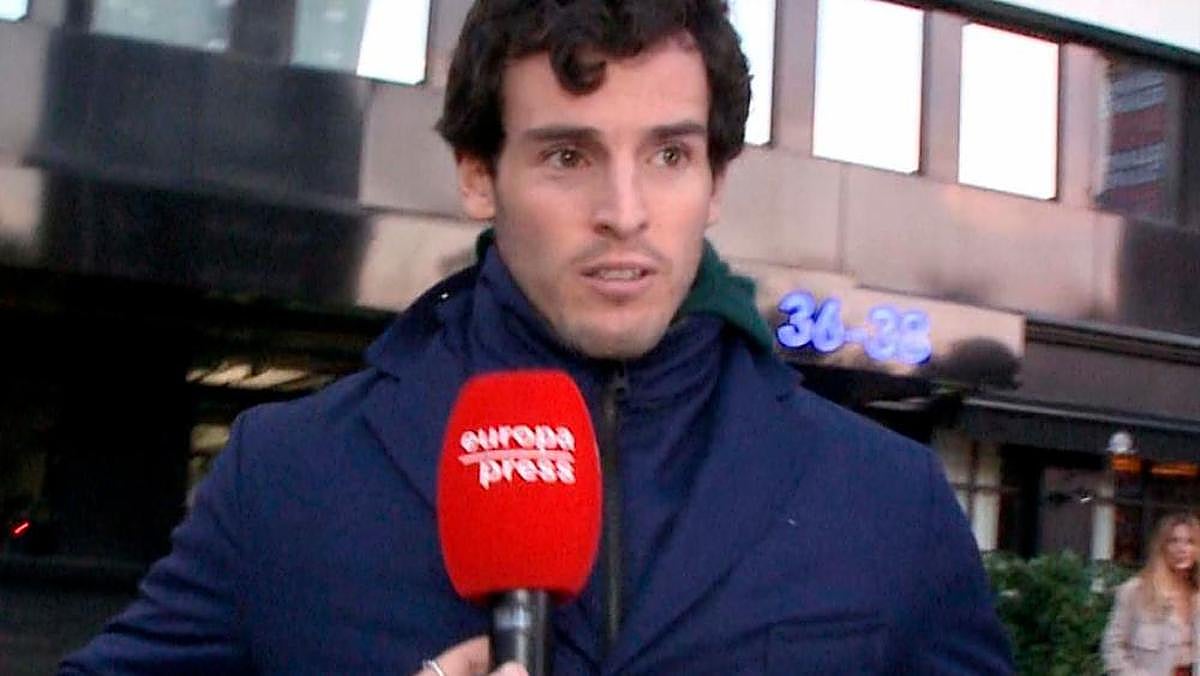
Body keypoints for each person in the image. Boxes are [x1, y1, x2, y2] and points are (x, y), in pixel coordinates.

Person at [61, 0, 1012, 673]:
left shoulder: (888, 501)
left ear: (716, 181)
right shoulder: (288, 476)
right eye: (568, 154)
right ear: (480, 174)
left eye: (669, 154)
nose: (625, 212)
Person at [1104, 513, 1200, 676]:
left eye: (1190, 542)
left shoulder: (1197, 595)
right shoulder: (1135, 591)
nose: (1182, 549)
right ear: (1162, 547)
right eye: (1174, 541)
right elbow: (1112, 648)